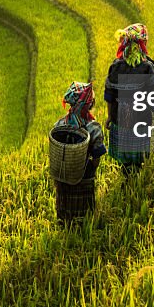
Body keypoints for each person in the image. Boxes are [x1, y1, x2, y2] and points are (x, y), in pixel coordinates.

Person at [104, 23, 154, 174]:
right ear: (143, 43)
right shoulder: (147, 66)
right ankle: (136, 178)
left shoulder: (115, 66)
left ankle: (126, 175)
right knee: (139, 158)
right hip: (141, 118)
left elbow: (109, 95)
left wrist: (109, 116)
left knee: (124, 158)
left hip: (119, 117)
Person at [52, 81, 106, 223]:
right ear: (89, 104)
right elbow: (96, 157)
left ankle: (64, 221)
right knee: (84, 209)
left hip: (63, 172)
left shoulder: (59, 124)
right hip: (84, 173)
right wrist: (91, 168)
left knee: (64, 201)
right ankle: (83, 225)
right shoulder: (93, 127)